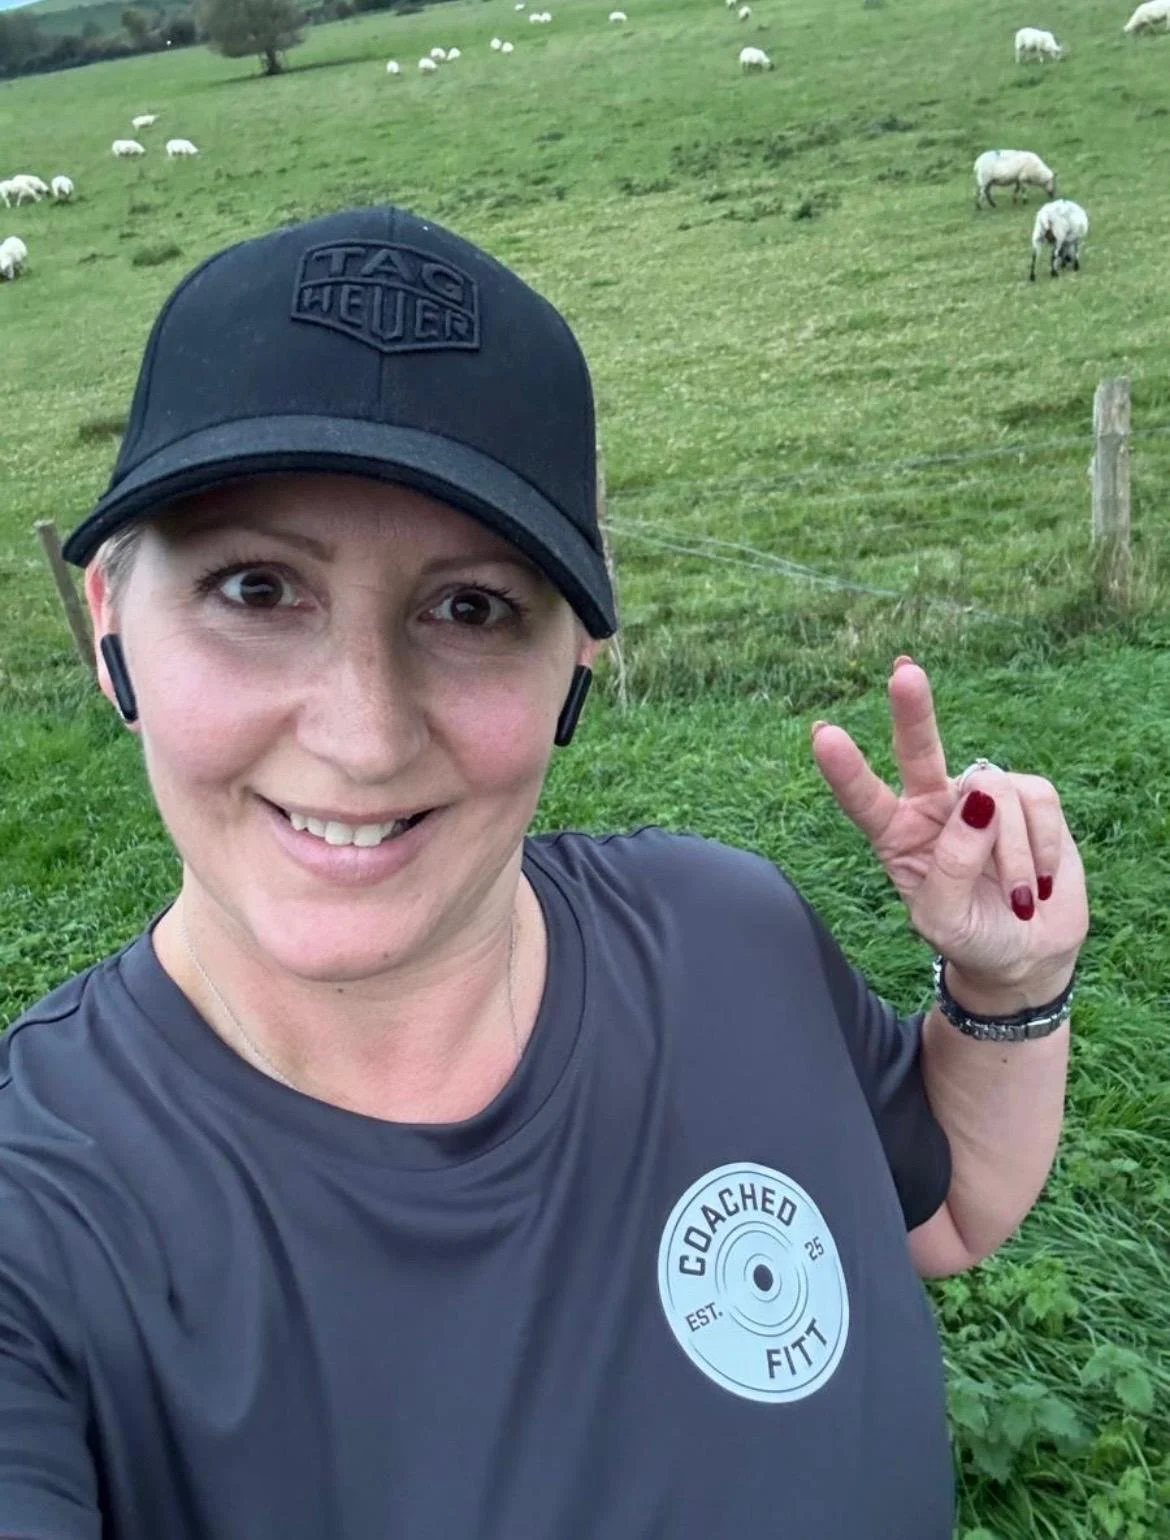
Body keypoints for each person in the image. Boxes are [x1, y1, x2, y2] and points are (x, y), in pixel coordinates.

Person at [0, 205, 1089, 1540]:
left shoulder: (722, 930)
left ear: (574, 659)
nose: (361, 732)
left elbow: (947, 1214)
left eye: (469, 608)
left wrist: (1008, 985)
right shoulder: (37, 1223)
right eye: (254, 590)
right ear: (109, 621)